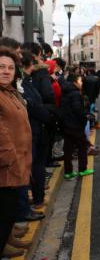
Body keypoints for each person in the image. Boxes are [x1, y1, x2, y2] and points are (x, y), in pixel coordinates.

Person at [0, 47, 32, 258]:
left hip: (18, 161)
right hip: (6, 166)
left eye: (10, 67)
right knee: (4, 212)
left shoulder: (8, 92)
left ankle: (6, 240)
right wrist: (12, 160)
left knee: (8, 213)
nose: (6, 71)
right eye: (1, 67)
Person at [20, 51, 51, 209]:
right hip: (33, 130)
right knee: (34, 166)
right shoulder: (24, 83)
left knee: (36, 165)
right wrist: (47, 114)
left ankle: (37, 198)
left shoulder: (28, 81)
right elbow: (33, 105)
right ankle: (34, 200)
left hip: (37, 129)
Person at [61, 73, 94, 180]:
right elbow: (78, 110)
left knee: (68, 149)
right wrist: (86, 116)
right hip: (75, 125)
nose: (82, 83)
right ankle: (82, 169)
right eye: (80, 81)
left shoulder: (66, 91)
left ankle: (68, 172)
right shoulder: (75, 93)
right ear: (74, 82)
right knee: (82, 147)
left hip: (66, 124)